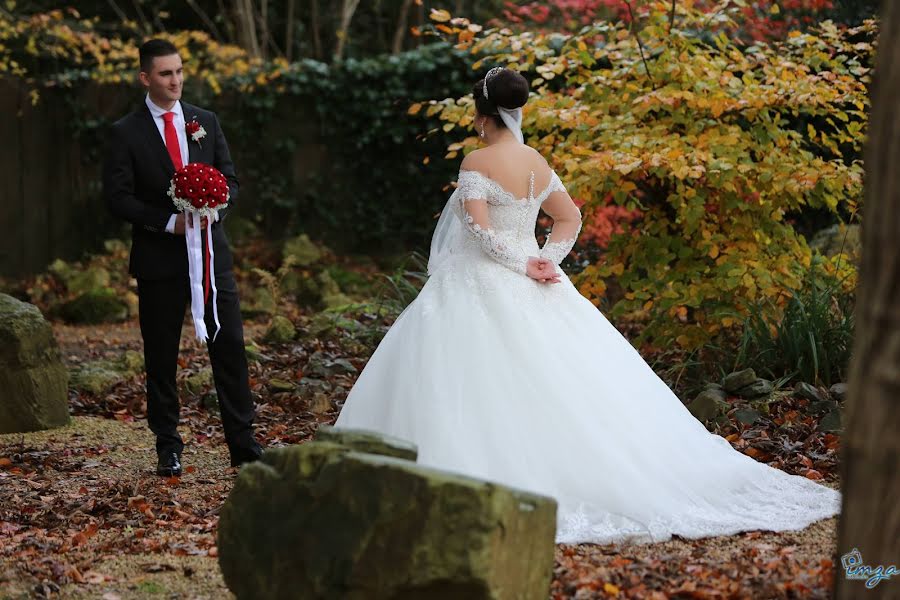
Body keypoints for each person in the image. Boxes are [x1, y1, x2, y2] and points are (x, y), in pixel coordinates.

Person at [334, 67, 841, 544]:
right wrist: (544, 260)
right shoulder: (538, 164)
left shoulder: (475, 162)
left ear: (482, 114)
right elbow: (570, 219)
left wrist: (523, 262)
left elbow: (479, 231)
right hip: (536, 279)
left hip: (479, 282)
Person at [103, 39, 263, 477]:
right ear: (145, 78)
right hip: (159, 261)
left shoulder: (204, 121)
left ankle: (243, 442)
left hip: (213, 257)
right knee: (161, 354)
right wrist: (166, 222)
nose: (175, 80)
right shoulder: (126, 132)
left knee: (229, 346)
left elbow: (229, 179)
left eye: (178, 71)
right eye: (165, 74)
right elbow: (117, 198)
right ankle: (168, 445)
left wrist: (216, 208)